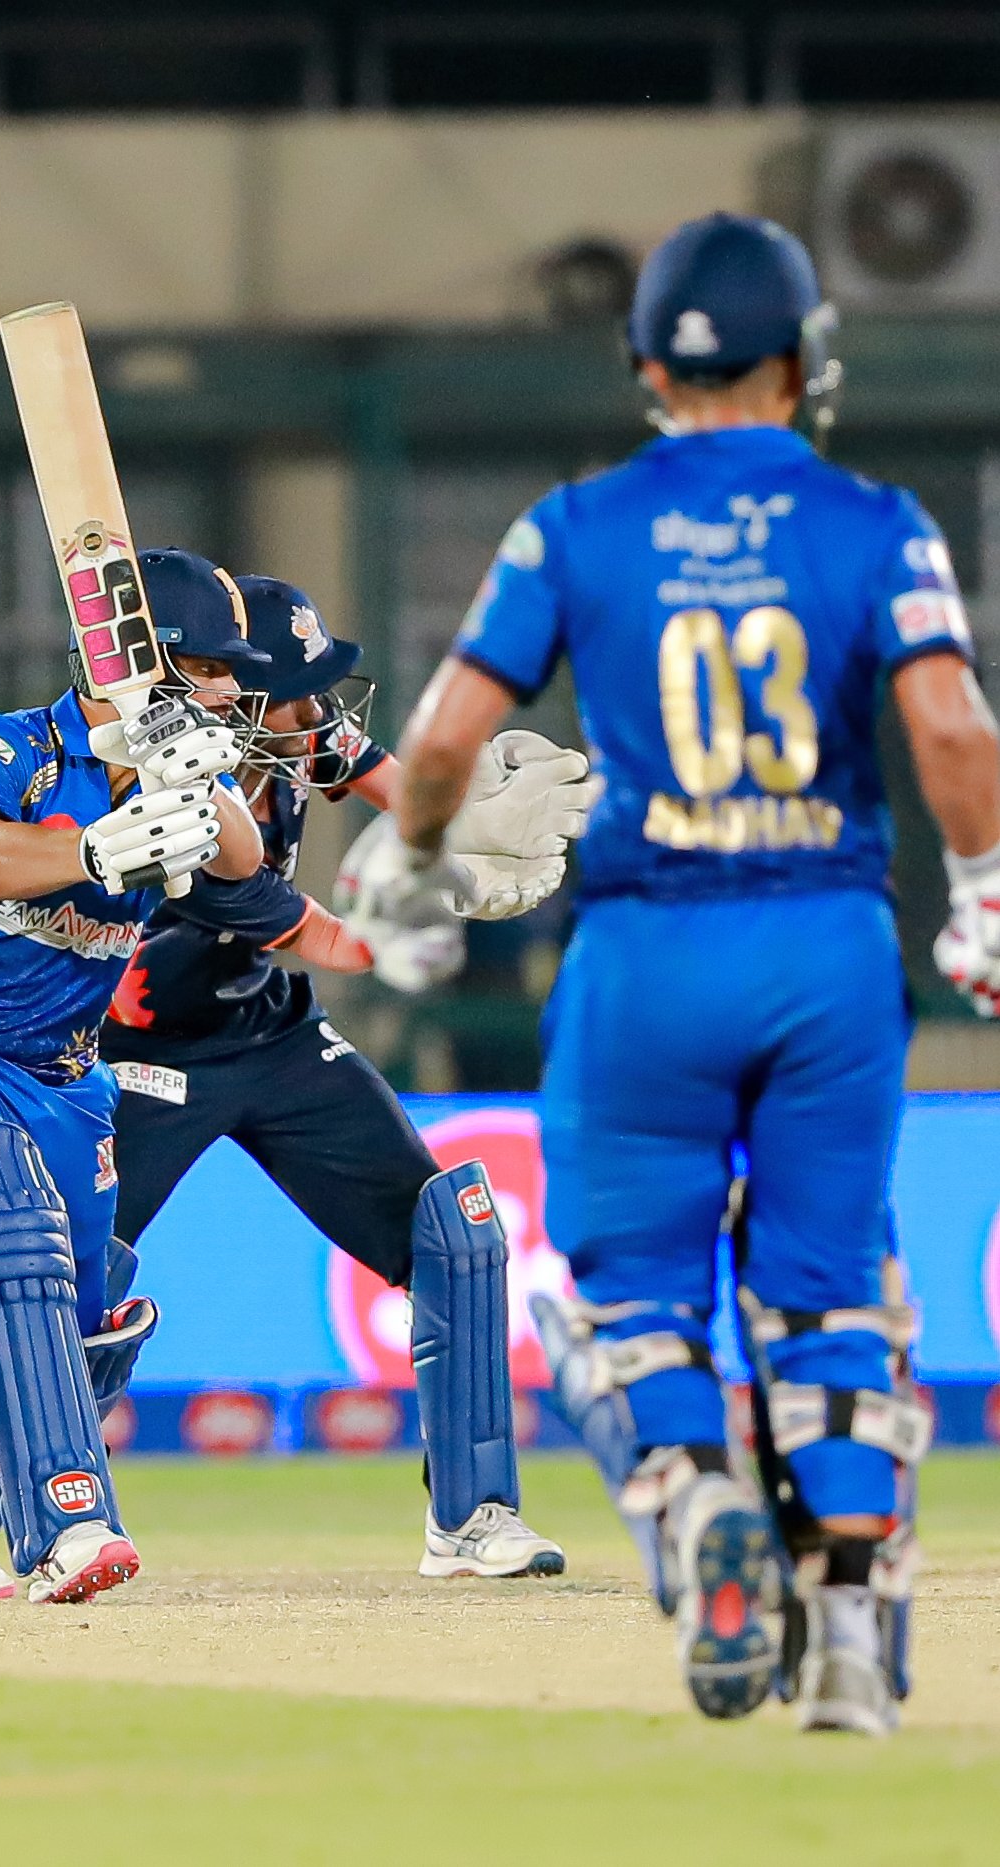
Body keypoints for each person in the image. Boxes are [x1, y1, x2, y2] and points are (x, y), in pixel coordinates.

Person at [343, 212, 1000, 1734]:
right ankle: (842, 1637)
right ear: (798, 360)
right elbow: (953, 733)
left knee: (633, 1290)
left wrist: (418, 868)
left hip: (642, 950)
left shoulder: (572, 522)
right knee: (828, 1293)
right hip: (823, 944)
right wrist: (976, 893)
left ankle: (695, 1494)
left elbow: (440, 742)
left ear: (645, 366)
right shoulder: (876, 520)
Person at [102, 573, 592, 1578]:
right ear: (227, 697)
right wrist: (421, 909)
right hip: (136, 1066)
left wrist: (459, 836)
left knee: (447, 1236)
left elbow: (401, 794)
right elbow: (320, 933)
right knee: (56, 1289)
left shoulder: (296, 738)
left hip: (272, 1040)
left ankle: (472, 1516)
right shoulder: (167, 803)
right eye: (297, 691)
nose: (318, 712)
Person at [0, 547, 269, 1605]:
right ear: (144, 658)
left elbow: (244, 864)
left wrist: (191, 775)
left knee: (85, 1327)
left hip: (67, 1080)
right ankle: (69, 1524)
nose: (229, 690)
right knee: (2, 1217)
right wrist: (98, 850)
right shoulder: (7, 746)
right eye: (209, 668)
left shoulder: (176, 769)